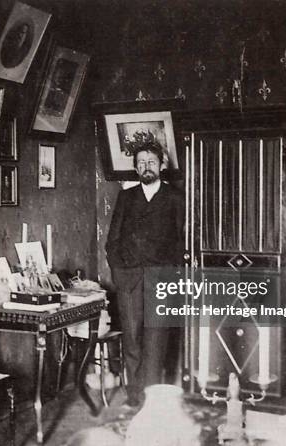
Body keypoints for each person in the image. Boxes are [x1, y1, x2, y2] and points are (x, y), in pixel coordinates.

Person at [105, 138, 185, 409]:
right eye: (141, 163)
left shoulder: (175, 197)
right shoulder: (126, 197)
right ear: (136, 168)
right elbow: (112, 240)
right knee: (132, 339)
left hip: (161, 279)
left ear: (162, 165)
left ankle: (152, 399)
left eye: (151, 162)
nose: (146, 167)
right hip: (129, 278)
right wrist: (118, 271)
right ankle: (134, 396)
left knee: (156, 340)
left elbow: (182, 240)